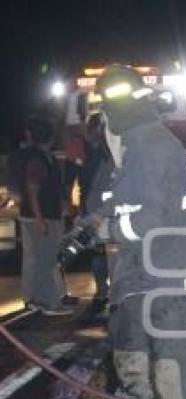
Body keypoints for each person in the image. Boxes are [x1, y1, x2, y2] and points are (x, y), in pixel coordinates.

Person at [92, 65, 186, 399]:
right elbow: (105, 205)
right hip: (136, 283)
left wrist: (108, 230)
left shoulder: (155, 145)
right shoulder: (123, 157)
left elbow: (152, 219)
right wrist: (87, 227)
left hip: (173, 282)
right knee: (133, 365)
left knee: (174, 370)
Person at [12, 116, 74, 316]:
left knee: (40, 259)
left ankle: (38, 300)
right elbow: (33, 189)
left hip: (42, 215)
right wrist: (40, 218)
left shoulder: (44, 157)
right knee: (46, 260)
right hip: (41, 216)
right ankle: (49, 302)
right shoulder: (38, 159)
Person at [77, 114, 113, 324]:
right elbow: (84, 181)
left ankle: (109, 294)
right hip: (94, 209)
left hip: (106, 210)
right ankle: (102, 293)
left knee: (110, 252)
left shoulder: (109, 151)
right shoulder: (89, 151)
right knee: (98, 252)